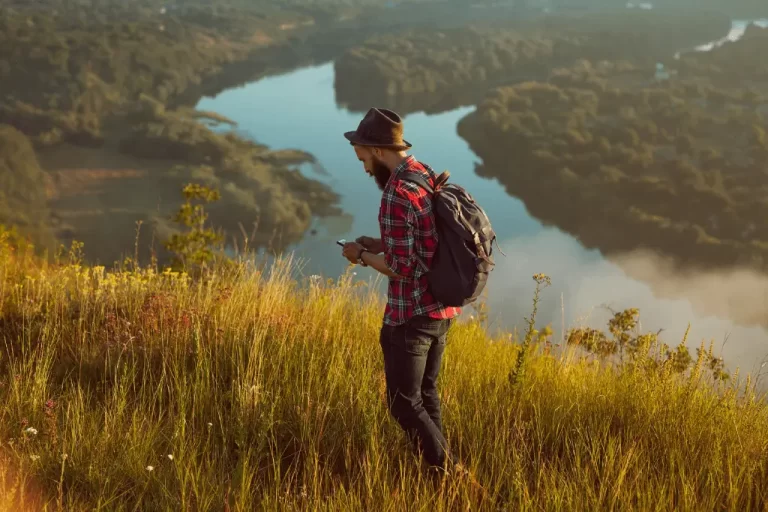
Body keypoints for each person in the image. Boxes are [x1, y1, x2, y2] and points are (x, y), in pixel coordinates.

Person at [340, 107, 461, 472]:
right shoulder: (422, 173)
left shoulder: (395, 193)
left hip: (410, 315)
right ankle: (437, 473)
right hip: (441, 309)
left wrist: (359, 254)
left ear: (378, 151)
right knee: (426, 396)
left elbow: (401, 267)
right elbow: (422, 241)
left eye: (364, 159)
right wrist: (380, 243)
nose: (364, 169)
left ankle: (451, 473)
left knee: (402, 404)